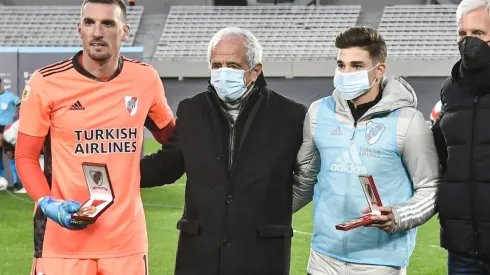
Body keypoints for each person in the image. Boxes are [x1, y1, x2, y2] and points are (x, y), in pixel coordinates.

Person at [15, 0, 175, 274]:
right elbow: (25, 156)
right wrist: (47, 202)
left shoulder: (145, 79)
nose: (97, 32)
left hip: (126, 243)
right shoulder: (46, 82)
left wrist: (144, 173)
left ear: (124, 31)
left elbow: (172, 137)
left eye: (107, 23)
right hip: (61, 244)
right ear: (80, 29)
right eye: (89, 23)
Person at [140, 27, 307, 275]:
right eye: (216, 65)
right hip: (199, 256)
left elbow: (307, 176)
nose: (222, 72)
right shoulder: (192, 110)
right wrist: (112, 172)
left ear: (255, 70)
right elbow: (166, 165)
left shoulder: (291, 115)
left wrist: (269, 209)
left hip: (262, 256)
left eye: (232, 65)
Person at [292, 26, 441, 275]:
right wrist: (264, 212)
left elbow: (431, 187)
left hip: (381, 265)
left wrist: (400, 215)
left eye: (357, 66)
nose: (346, 73)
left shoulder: (408, 121)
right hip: (322, 260)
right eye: (341, 65)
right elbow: (305, 179)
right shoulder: (319, 112)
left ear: (379, 70)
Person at [432, 0, 490, 273]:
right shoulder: (450, 90)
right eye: (462, 34)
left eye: (478, 33)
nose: (469, 42)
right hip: (463, 248)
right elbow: (443, 159)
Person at [0, 78, 21, 192]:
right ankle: (1, 182)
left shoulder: (10, 96)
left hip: (7, 129)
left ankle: (17, 183)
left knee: (11, 155)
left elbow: (21, 105)